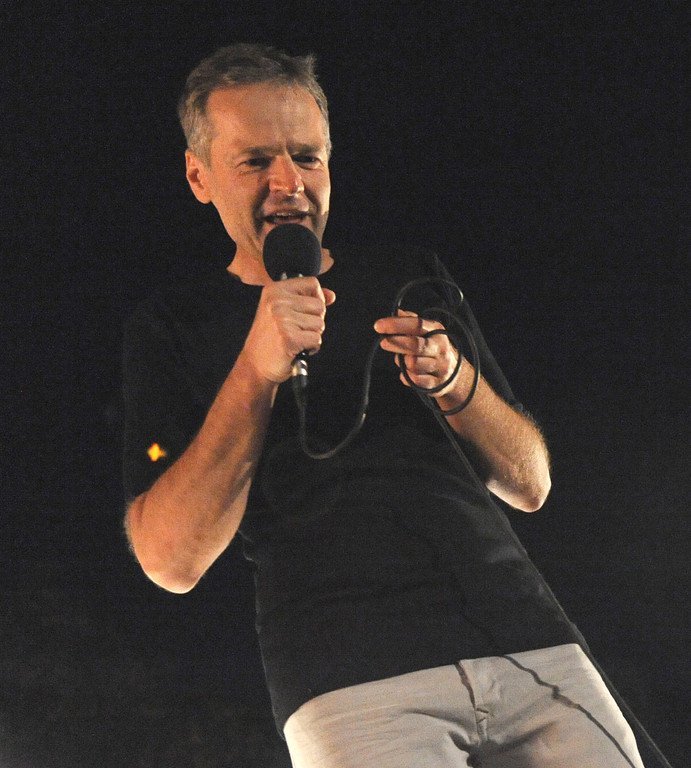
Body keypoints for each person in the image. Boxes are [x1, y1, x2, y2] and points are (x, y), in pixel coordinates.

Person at [122, 44, 644, 768]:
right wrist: (255, 370)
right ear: (198, 176)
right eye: (255, 161)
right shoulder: (172, 325)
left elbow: (530, 482)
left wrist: (455, 381)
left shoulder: (409, 273)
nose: (288, 183)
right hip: (350, 679)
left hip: (530, 645)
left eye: (307, 157)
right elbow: (168, 559)